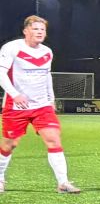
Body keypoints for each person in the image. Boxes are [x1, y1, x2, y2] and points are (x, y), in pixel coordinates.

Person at [0, 15, 79, 194]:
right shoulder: (11, 48)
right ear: (26, 31)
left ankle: (63, 183)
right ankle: (0, 178)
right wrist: (15, 94)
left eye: (42, 30)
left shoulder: (47, 52)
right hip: (16, 106)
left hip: (41, 106)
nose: (40, 32)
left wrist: (51, 99)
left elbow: (47, 76)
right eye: (36, 29)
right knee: (9, 144)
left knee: (53, 139)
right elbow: (1, 74)